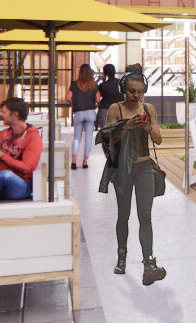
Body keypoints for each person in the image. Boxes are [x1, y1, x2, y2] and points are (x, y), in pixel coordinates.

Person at [103, 71, 166, 285]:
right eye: (131, 91)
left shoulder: (149, 109)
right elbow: (105, 137)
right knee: (123, 215)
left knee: (145, 216)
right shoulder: (115, 109)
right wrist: (126, 126)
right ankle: (122, 257)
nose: (135, 95)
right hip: (123, 169)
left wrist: (148, 127)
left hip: (145, 167)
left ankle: (149, 263)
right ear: (123, 89)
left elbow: (158, 140)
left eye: (139, 91)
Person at [69, 63, 99, 171]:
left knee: (77, 137)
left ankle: (74, 161)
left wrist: (74, 104)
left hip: (78, 113)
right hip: (90, 112)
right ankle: (85, 162)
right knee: (88, 138)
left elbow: (68, 97)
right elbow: (98, 99)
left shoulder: (74, 84)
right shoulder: (94, 85)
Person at [96, 63, 123, 131]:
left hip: (105, 110)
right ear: (114, 71)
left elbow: (98, 98)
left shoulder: (102, 85)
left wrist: (103, 81)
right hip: (119, 110)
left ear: (104, 73)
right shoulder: (121, 83)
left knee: (106, 133)